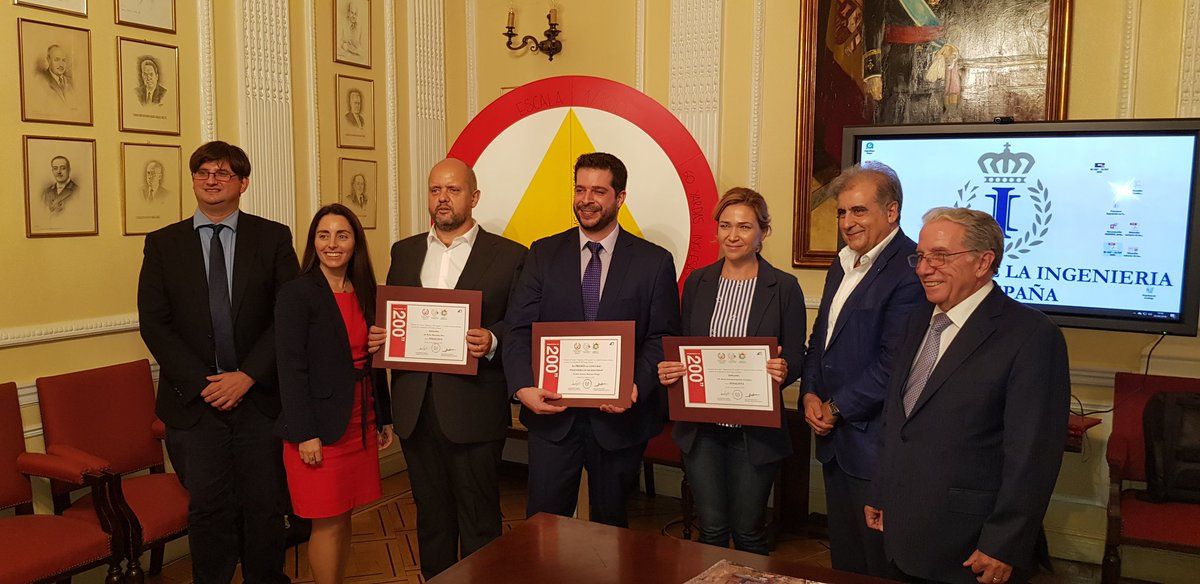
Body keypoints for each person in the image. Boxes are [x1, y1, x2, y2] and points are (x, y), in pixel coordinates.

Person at [865, 207, 1069, 584]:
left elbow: (1032, 456)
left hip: (969, 546)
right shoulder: (917, 320)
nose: (924, 269)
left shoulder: (1032, 336)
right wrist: (881, 491)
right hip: (902, 531)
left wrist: (1003, 543)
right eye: (921, 256)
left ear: (983, 262)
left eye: (940, 256)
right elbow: (897, 420)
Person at [137, 141, 298, 584]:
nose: (211, 180)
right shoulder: (163, 244)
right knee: (208, 510)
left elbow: (286, 315)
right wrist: (206, 384)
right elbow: (154, 323)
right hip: (195, 404)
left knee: (264, 506)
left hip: (259, 400)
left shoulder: (272, 238)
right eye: (203, 172)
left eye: (223, 173)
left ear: (242, 183)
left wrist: (247, 376)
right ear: (193, 180)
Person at [366, 158, 527, 579]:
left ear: (474, 197)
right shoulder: (404, 251)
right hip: (415, 408)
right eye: (435, 189)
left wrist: (493, 339)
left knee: (479, 517)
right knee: (431, 516)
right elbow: (395, 316)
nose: (442, 198)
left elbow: (522, 324)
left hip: (474, 408)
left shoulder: (510, 255)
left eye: (453, 190)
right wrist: (383, 334)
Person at [503, 152, 680, 527]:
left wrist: (635, 384)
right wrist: (522, 387)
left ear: (620, 197)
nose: (586, 200)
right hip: (552, 416)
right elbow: (518, 328)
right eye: (580, 189)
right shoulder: (542, 253)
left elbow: (661, 335)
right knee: (542, 530)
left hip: (618, 422)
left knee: (610, 532)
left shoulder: (653, 262)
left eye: (598, 191)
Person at [656, 187, 805, 555]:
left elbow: (797, 354)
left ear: (763, 232)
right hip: (702, 430)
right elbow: (684, 346)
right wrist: (671, 369)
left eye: (744, 227)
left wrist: (785, 368)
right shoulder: (698, 282)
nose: (733, 236)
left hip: (754, 433)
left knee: (749, 531)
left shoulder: (784, 287)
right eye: (725, 225)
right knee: (711, 529)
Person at [799, 162, 923, 575]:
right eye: (841, 212)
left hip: (874, 447)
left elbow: (894, 363)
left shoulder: (911, 269)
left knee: (878, 564)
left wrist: (835, 408)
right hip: (835, 441)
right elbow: (821, 338)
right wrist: (810, 392)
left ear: (892, 211)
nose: (847, 222)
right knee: (846, 561)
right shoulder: (842, 263)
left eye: (858, 211)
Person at [275, 204, 393, 584]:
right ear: (313, 242)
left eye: (342, 235)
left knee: (344, 515)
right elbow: (290, 369)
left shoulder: (365, 290)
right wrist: (304, 432)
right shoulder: (297, 293)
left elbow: (373, 359)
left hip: (360, 420)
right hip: (319, 429)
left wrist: (384, 416)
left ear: (355, 242)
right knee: (325, 522)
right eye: (323, 235)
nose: (332, 244)